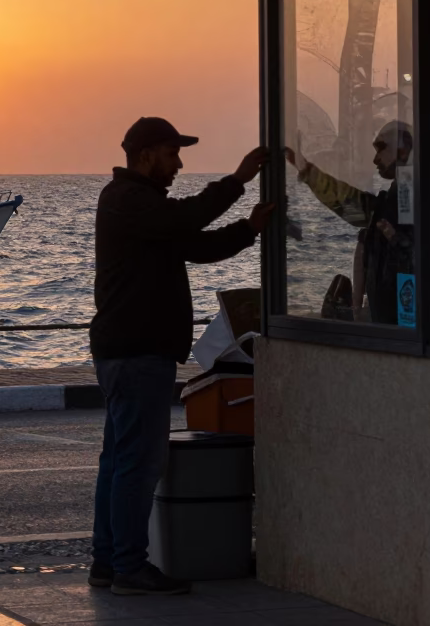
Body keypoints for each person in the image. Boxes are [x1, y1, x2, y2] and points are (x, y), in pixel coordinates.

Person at [89, 117, 274, 596]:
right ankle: (127, 566)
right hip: (137, 352)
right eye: (172, 154)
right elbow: (184, 223)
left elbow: (193, 245)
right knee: (136, 463)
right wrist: (236, 183)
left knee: (120, 461)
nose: (179, 164)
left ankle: (108, 563)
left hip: (131, 352)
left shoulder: (142, 206)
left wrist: (249, 229)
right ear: (147, 154)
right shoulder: (128, 201)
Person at [286, 120, 413, 324]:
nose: (375, 159)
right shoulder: (393, 202)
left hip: (406, 332)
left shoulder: (418, 199)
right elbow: (351, 205)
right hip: (394, 329)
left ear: (404, 150)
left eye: (381, 148)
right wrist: (306, 170)